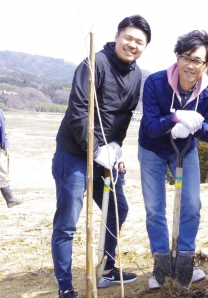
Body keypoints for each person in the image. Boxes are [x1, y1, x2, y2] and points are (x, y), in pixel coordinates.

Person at [51, 15, 151, 298]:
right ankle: (65, 285)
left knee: (117, 208)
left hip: (106, 155)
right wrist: (95, 151)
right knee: (68, 221)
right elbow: (78, 112)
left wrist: (115, 149)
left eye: (139, 42)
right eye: (128, 38)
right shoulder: (93, 64)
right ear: (118, 36)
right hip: (74, 153)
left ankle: (106, 268)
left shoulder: (136, 75)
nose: (132, 45)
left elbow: (125, 117)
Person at [139, 30, 208, 289]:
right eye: (186, 57)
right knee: (155, 208)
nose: (190, 65)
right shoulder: (155, 82)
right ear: (177, 57)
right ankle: (161, 265)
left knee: (191, 205)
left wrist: (195, 126)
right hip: (152, 149)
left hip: (185, 150)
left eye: (197, 60)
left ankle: (186, 260)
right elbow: (151, 127)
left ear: (206, 64)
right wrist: (174, 118)